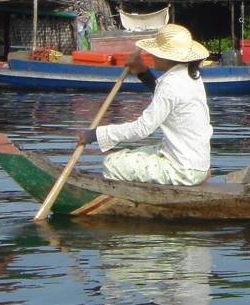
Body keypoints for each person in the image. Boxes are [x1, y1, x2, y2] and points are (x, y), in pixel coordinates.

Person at [78, 24, 212, 185]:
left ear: (165, 57)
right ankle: (197, 174)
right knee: (129, 154)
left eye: (155, 52)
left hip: (183, 168)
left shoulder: (170, 84)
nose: (152, 55)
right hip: (197, 162)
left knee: (112, 163)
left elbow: (142, 129)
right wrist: (143, 72)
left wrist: (94, 135)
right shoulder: (191, 76)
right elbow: (167, 98)